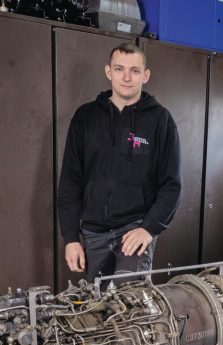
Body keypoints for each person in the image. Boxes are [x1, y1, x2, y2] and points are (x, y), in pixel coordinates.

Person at [58, 42, 181, 283]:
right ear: (108, 72)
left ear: (145, 75)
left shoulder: (161, 120)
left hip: (133, 230)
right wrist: (71, 238)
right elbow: (70, 182)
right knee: (99, 307)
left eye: (135, 70)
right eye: (119, 69)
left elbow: (172, 184)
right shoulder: (85, 117)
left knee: (128, 305)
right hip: (93, 233)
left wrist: (148, 228)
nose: (126, 77)